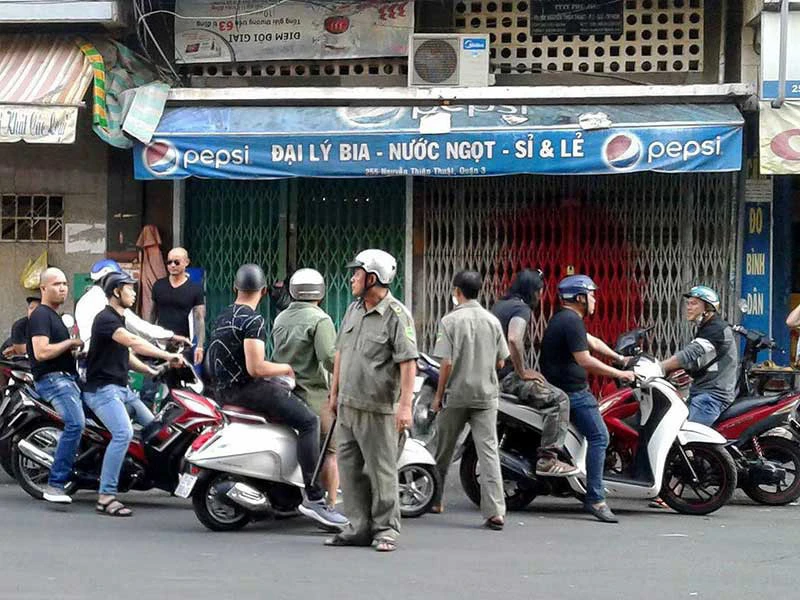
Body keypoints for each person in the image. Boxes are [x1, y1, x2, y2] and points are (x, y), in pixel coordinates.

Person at [206, 264, 347, 529]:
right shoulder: (253, 320)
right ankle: (315, 498)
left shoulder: (224, 315)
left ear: (235, 288)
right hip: (249, 389)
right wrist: (285, 368)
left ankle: (285, 495)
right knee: (309, 422)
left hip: (222, 391)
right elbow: (256, 368)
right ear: (263, 291)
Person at [325, 249, 418, 552]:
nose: (352, 278)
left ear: (373, 278)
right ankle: (358, 527)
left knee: (381, 473)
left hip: (378, 408)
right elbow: (341, 352)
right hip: (348, 406)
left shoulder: (397, 315)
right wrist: (335, 393)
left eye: (357, 273)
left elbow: (408, 362)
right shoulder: (353, 310)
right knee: (350, 470)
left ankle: (386, 530)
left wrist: (405, 406)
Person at [83, 272, 186, 517]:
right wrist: (167, 355)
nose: (134, 293)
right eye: (129, 289)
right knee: (124, 433)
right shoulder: (105, 319)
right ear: (116, 292)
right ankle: (106, 496)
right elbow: (133, 342)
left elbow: (126, 355)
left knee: (157, 430)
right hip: (102, 391)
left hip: (123, 390)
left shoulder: (119, 319)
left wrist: (151, 371)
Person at [540, 274, 635, 523]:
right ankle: (595, 498)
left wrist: (620, 358)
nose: (594, 299)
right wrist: (620, 373)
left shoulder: (567, 319)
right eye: (591, 295)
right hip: (573, 393)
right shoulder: (570, 320)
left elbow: (592, 342)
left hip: (566, 389)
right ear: (580, 298)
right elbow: (585, 360)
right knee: (600, 436)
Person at [430, 271, 509, 529]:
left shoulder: (449, 322)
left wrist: (438, 396)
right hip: (486, 395)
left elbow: (446, 363)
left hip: (456, 395)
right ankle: (495, 511)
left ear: (456, 291)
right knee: (488, 452)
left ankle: (435, 499)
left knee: (443, 449)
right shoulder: (492, 321)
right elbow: (501, 361)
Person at [491, 269, 578, 476]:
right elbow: (514, 338)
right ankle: (548, 459)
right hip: (507, 378)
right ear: (531, 290)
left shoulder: (499, 305)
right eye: (539, 291)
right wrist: (522, 371)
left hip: (493, 374)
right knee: (559, 400)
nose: (540, 296)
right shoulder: (521, 308)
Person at [272, 268, 339, 507]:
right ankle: (330, 503)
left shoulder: (280, 318)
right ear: (320, 292)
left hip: (284, 393)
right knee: (330, 451)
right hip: (313, 394)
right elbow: (329, 358)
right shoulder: (320, 319)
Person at [27, 269, 84, 504]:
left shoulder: (55, 316)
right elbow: (41, 352)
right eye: (56, 284)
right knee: (76, 423)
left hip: (68, 378)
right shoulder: (41, 315)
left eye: (65, 284)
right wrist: (69, 342)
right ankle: (56, 483)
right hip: (53, 381)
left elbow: (57, 349)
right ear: (43, 288)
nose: (62, 288)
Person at [661, 286, 737, 425]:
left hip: (712, 398)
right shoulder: (706, 327)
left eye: (694, 304)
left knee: (687, 434)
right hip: (700, 391)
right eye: (688, 303)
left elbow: (688, 355)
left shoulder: (716, 330)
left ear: (708, 308)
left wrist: (658, 367)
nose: (688, 308)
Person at [76, 259, 188, 351]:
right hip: (104, 357)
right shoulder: (106, 302)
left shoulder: (86, 299)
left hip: (93, 355)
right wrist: (170, 337)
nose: (133, 293)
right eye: (128, 288)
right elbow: (137, 327)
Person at [151, 248, 206, 365]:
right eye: (169, 262)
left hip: (184, 345)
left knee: (182, 376)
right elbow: (152, 313)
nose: (172, 265)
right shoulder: (158, 286)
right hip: (160, 344)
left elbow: (199, 318)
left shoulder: (195, 289)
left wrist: (200, 346)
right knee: (156, 374)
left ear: (186, 262)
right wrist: (149, 338)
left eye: (176, 262)